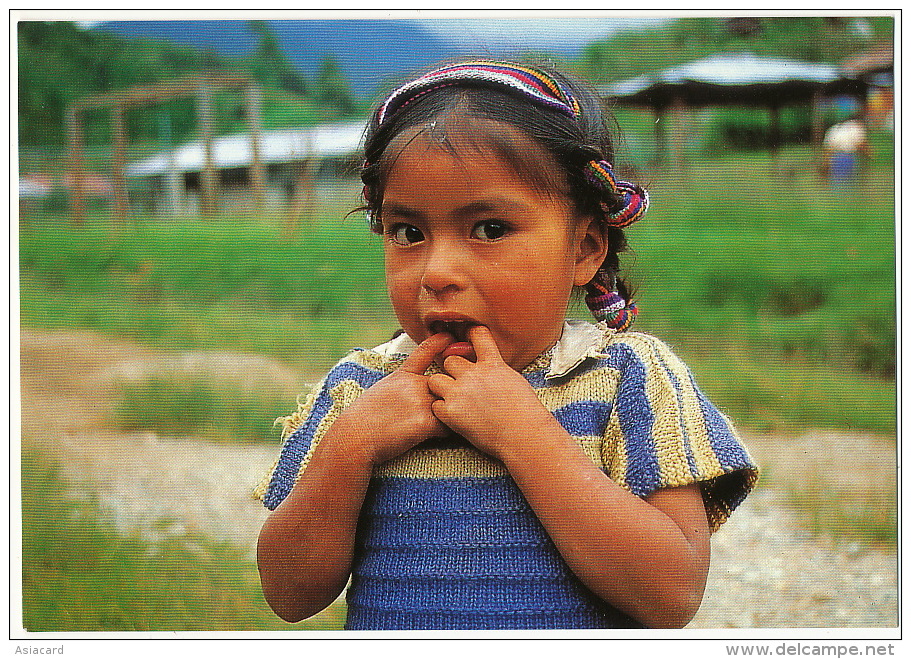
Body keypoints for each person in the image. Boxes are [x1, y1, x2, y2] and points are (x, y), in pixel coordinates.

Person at [254, 61, 758, 630]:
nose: (437, 272)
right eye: (409, 233)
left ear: (585, 248)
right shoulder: (361, 389)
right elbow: (289, 595)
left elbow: (670, 594)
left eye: (490, 229)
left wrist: (522, 432)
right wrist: (352, 447)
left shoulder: (628, 377)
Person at [822, 113, 871, 182]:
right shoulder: (857, 127)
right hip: (848, 157)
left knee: (837, 183)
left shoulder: (834, 128)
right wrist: (870, 156)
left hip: (835, 158)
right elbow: (861, 144)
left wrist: (826, 164)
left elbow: (827, 149)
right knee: (850, 183)